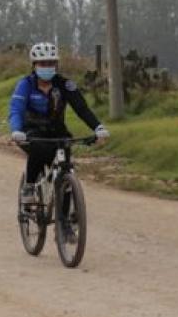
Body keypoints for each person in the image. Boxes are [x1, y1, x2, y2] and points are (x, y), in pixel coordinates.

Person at [9, 42, 109, 204]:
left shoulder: (65, 85)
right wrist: (16, 130)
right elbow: (16, 110)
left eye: (51, 63)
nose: (47, 67)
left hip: (57, 131)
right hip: (31, 130)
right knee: (38, 150)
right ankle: (29, 186)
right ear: (34, 65)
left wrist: (98, 127)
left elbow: (81, 108)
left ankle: (66, 223)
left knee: (66, 168)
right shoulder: (25, 85)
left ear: (56, 65)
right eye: (43, 63)